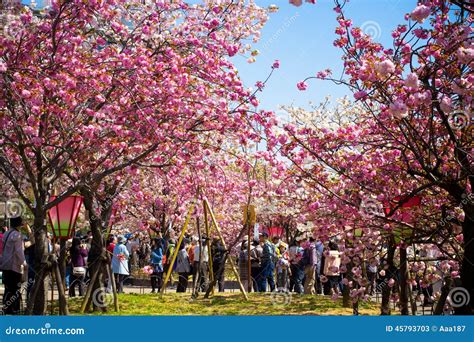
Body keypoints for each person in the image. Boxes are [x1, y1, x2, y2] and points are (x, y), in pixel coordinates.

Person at [0, 217, 34, 315]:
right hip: (14, 266)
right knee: (15, 289)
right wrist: (24, 263)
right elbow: (19, 252)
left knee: (8, 288)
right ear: (20, 224)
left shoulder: (6, 234)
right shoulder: (17, 235)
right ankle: (14, 309)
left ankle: (7, 308)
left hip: (5, 265)